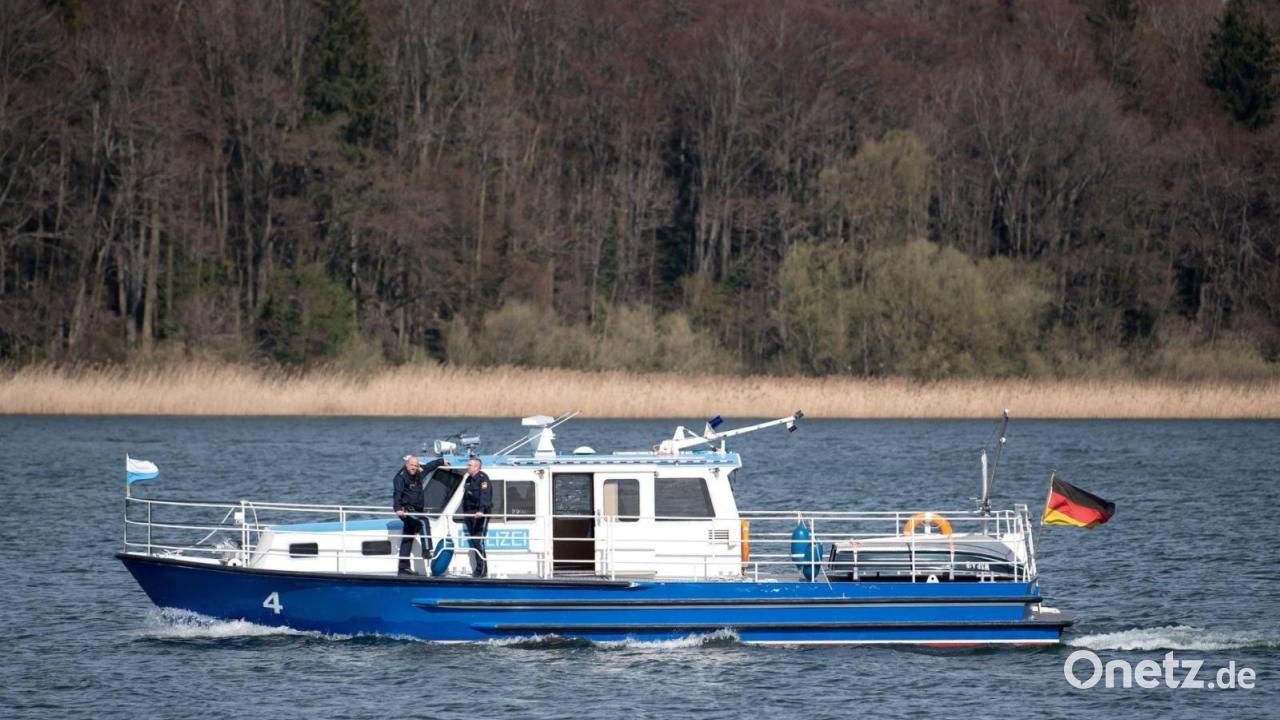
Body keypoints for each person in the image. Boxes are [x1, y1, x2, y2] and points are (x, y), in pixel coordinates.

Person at [393, 454, 446, 575]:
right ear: (406, 465)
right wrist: (397, 508)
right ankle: (426, 550)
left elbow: (428, 467)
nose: (413, 468)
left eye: (416, 466)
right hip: (406, 510)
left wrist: (441, 461)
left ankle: (403, 567)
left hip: (417, 509)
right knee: (423, 521)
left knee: (407, 538)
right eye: (411, 465)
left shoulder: (417, 474)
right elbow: (397, 493)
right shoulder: (401, 478)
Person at [460, 456, 493, 578]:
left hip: (480, 515)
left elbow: (485, 496)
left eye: (469, 465)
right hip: (470, 514)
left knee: (479, 541)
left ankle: (482, 570)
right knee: (474, 542)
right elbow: (466, 497)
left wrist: (481, 511)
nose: (467, 467)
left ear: (476, 467)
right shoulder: (468, 479)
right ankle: (477, 569)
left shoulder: (482, 479)